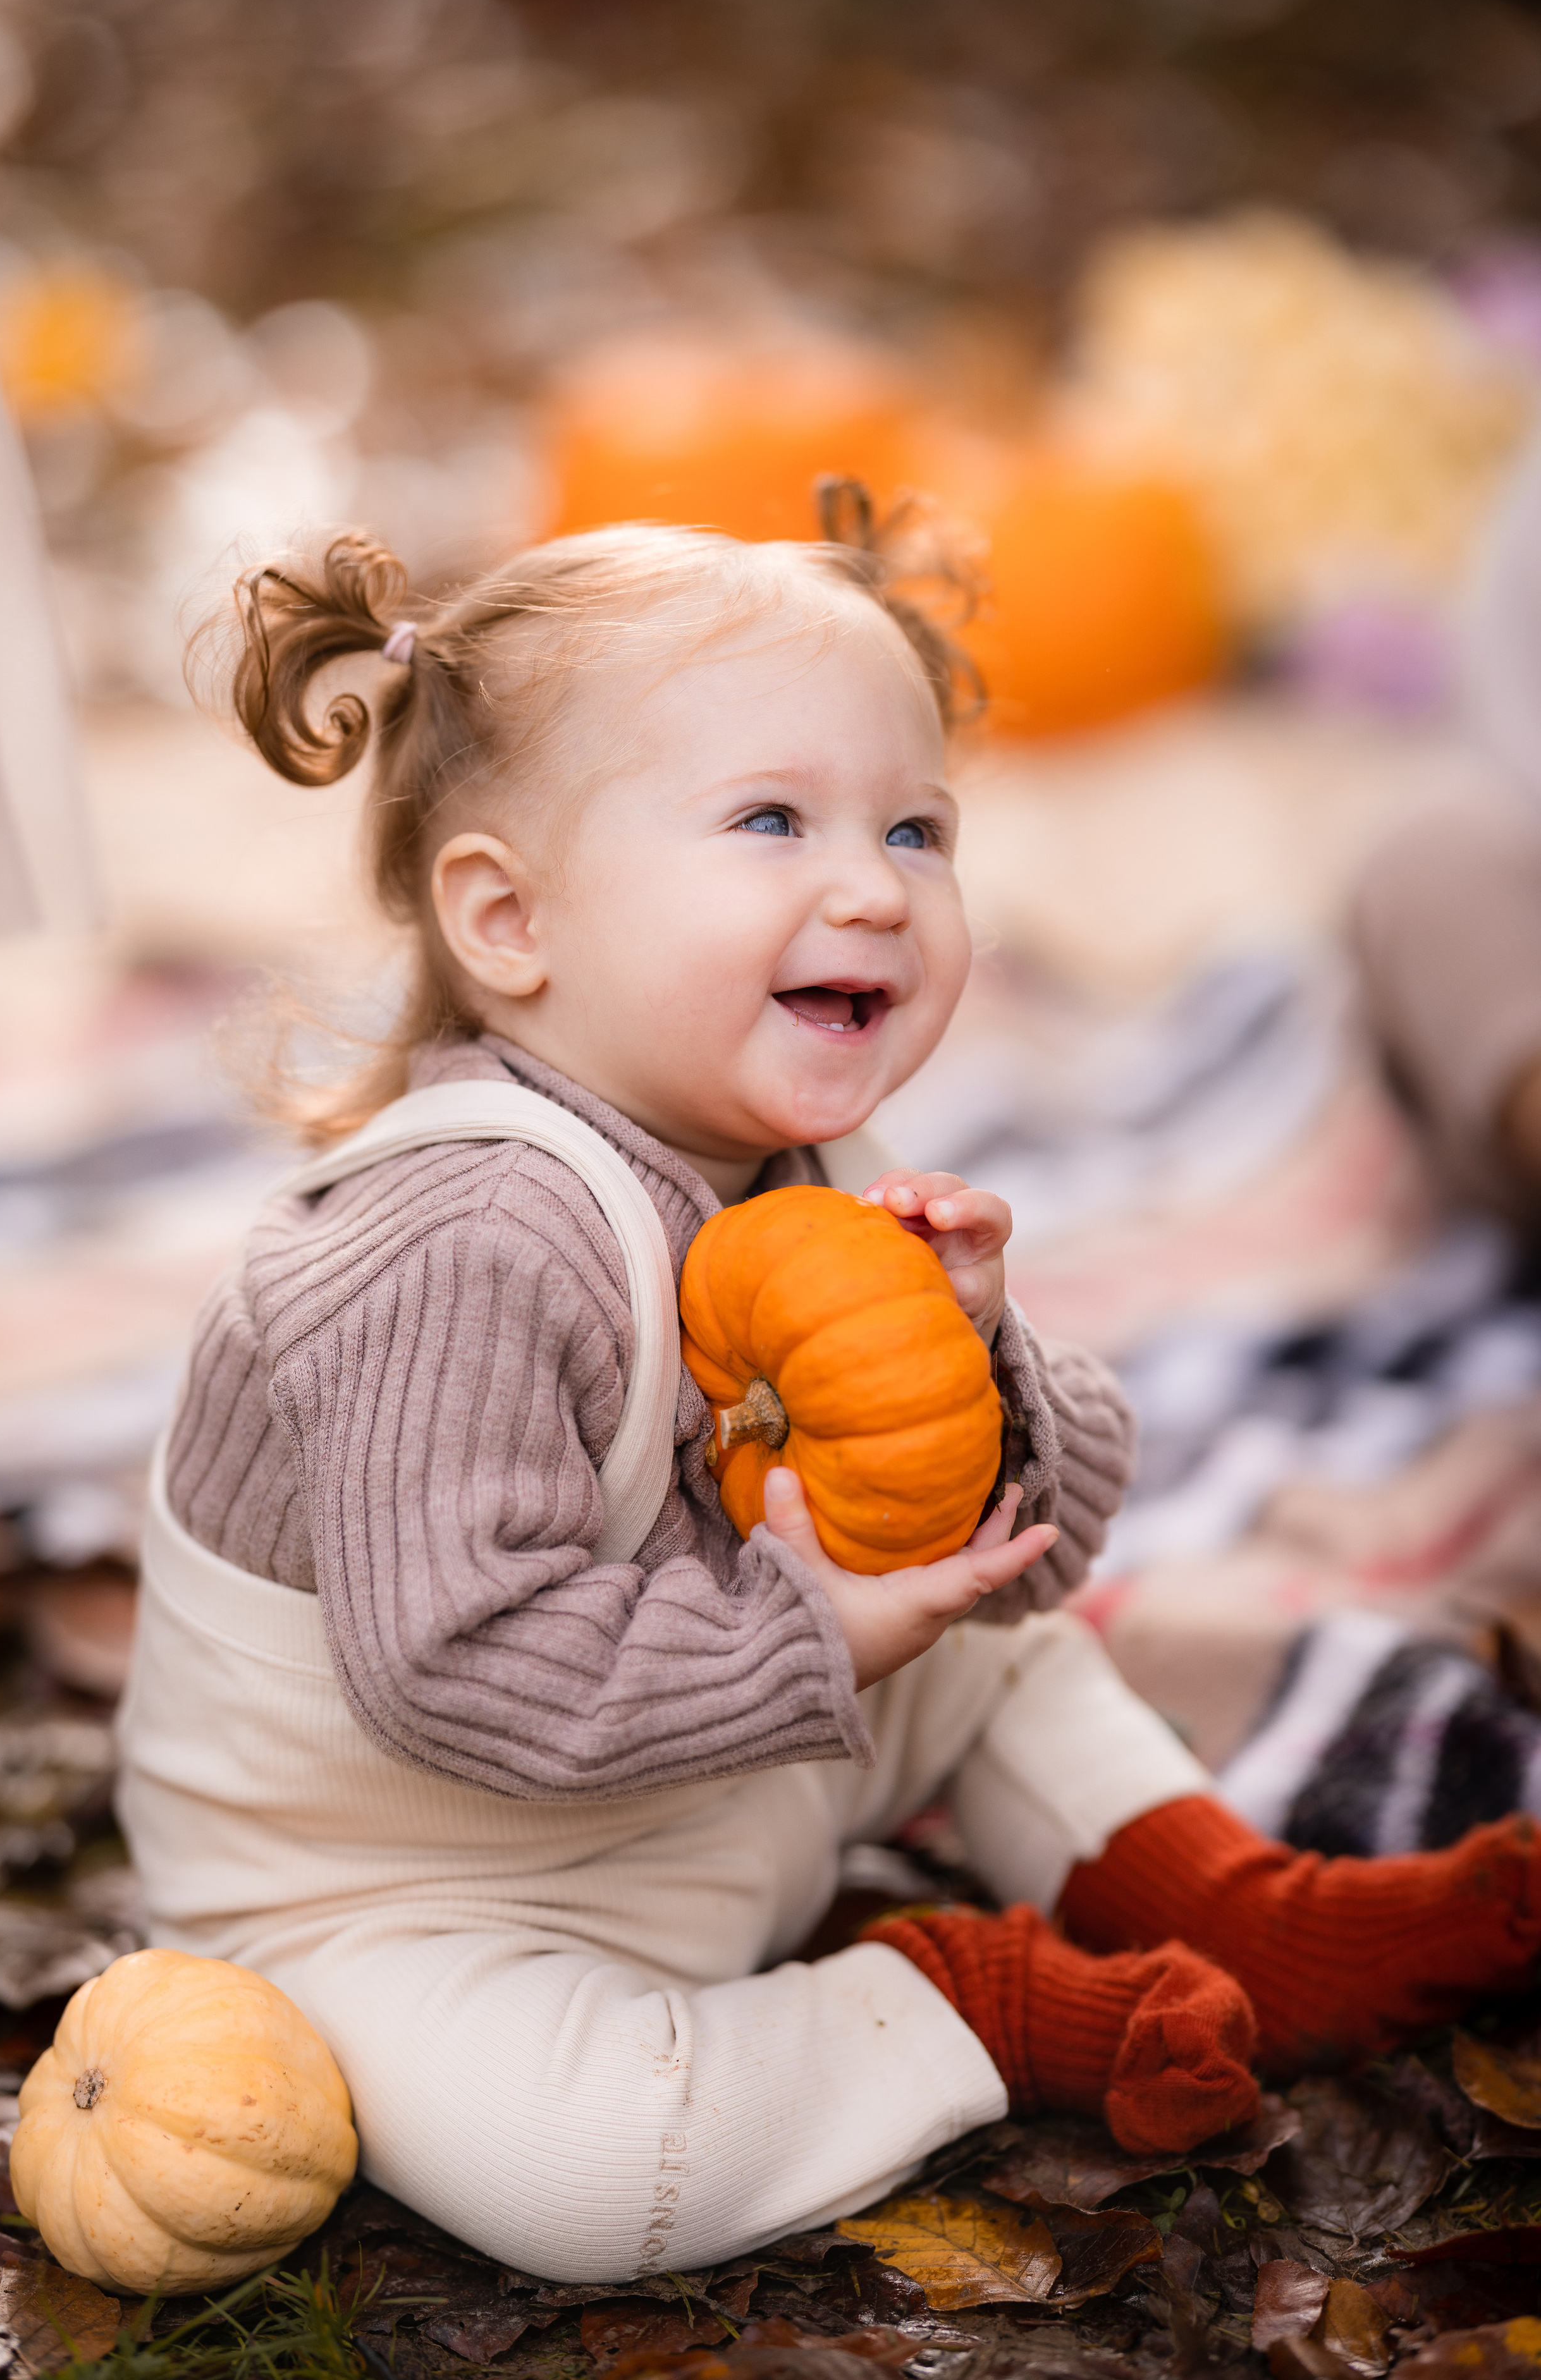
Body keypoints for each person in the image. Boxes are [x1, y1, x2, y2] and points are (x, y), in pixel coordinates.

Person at [118, 502, 1540, 2285]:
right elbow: (450, 1670)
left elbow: (1016, 1552)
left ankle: (1234, 1906)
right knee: (582, 2175)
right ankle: (964, 2004)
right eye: (773, 821)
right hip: (422, 1894)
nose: (875, 885)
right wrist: (820, 1636)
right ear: (507, 918)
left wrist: (983, 1359)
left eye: (918, 827)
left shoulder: (798, 1157)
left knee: (1008, 1649)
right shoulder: (463, 1235)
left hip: (711, 1778)